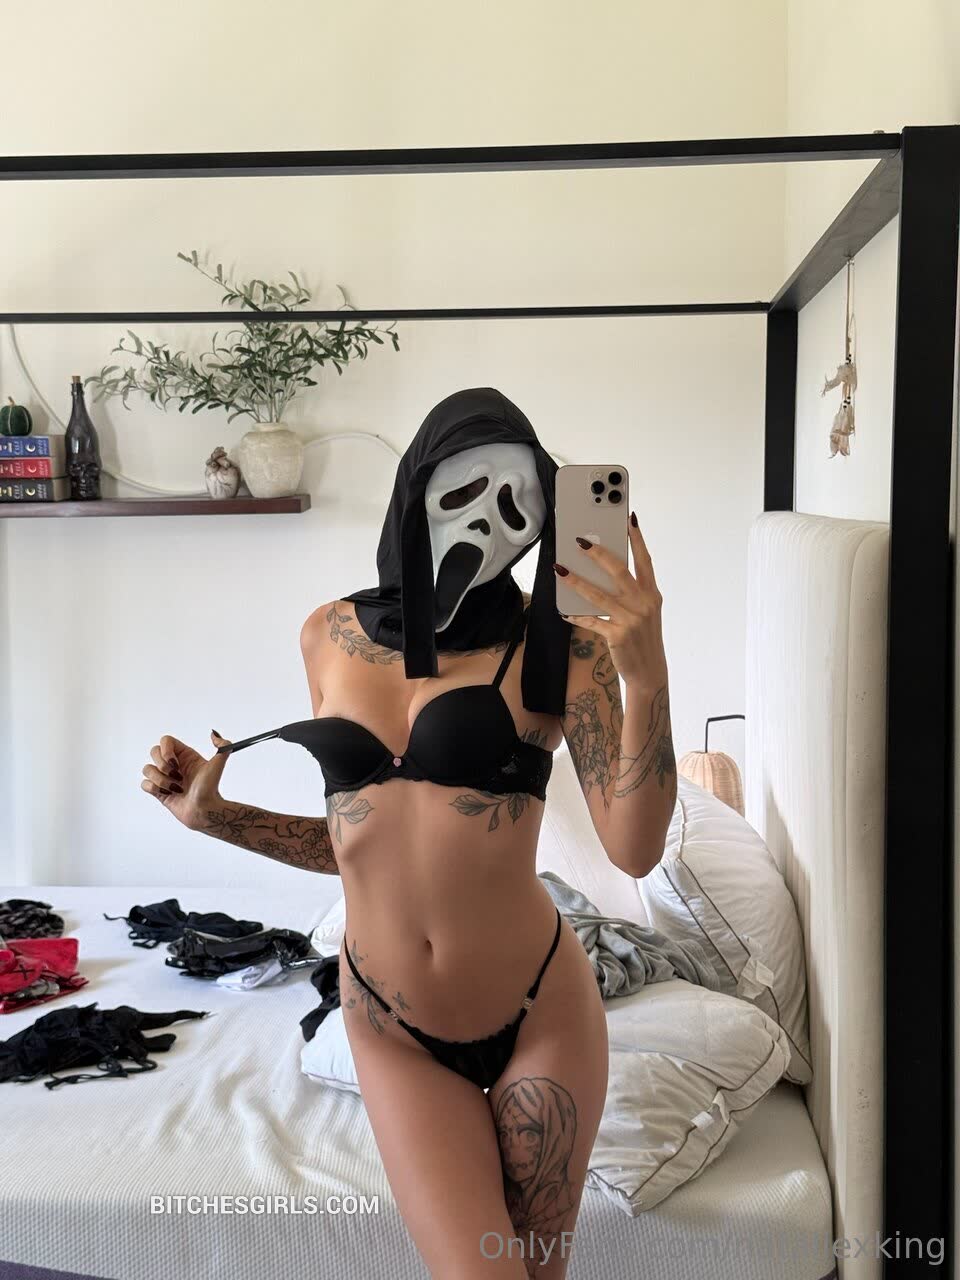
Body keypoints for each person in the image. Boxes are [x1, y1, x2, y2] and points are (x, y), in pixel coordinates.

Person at [140, 387, 677, 1279]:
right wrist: (215, 818)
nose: (489, 522)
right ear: (415, 486)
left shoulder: (564, 646)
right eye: (466, 491)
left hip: (540, 1009)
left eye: (518, 507)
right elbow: (363, 841)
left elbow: (635, 848)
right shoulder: (326, 636)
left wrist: (647, 681)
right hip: (393, 1027)